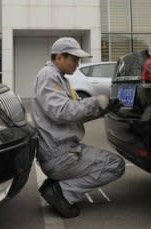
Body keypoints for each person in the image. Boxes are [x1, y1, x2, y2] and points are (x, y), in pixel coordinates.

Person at [32, 37, 125, 218]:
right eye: (74, 59)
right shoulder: (48, 75)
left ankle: (58, 187)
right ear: (59, 57)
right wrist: (95, 101)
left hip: (61, 152)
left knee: (110, 162)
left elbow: (73, 114)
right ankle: (62, 192)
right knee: (116, 165)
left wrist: (103, 109)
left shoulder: (60, 78)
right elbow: (62, 111)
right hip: (61, 156)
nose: (77, 63)